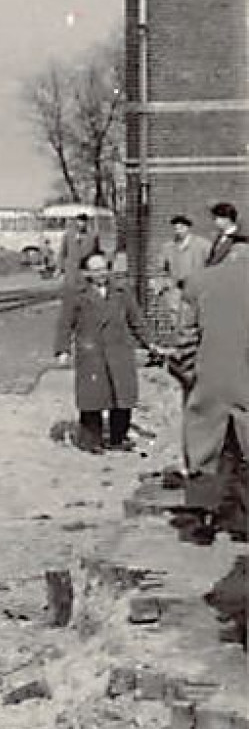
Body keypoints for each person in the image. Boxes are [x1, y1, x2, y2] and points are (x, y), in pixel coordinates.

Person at [175, 240, 249, 538]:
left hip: (211, 376)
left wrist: (189, 370)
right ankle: (243, 522)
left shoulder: (201, 281)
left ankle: (202, 519)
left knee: (205, 443)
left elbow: (186, 334)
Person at [54, 252, 155, 453]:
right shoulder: (76, 294)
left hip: (119, 350)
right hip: (92, 351)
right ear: (87, 272)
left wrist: (150, 343)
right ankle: (92, 440)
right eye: (95, 270)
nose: (101, 274)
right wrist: (62, 349)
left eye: (103, 268)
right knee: (93, 398)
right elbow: (65, 324)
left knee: (122, 396)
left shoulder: (121, 291)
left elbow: (136, 320)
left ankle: (118, 438)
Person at [159, 214, 210, 337]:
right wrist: (165, 286)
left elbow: (211, 265)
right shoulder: (168, 247)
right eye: (176, 227)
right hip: (176, 291)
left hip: (196, 290)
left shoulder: (203, 245)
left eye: (181, 227)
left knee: (196, 320)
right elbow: (161, 269)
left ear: (188, 228)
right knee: (176, 321)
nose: (178, 230)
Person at [59, 213, 100, 294]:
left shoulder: (93, 236)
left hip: (86, 269)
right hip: (71, 270)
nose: (81, 224)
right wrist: (60, 268)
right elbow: (62, 252)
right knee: (72, 293)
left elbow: (96, 253)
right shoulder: (68, 235)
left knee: (86, 293)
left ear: (87, 223)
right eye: (79, 222)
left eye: (83, 222)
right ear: (76, 222)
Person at [205, 201, 242, 267]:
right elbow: (214, 256)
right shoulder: (221, 235)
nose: (214, 221)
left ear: (226, 218)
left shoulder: (240, 237)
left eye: (215, 218)